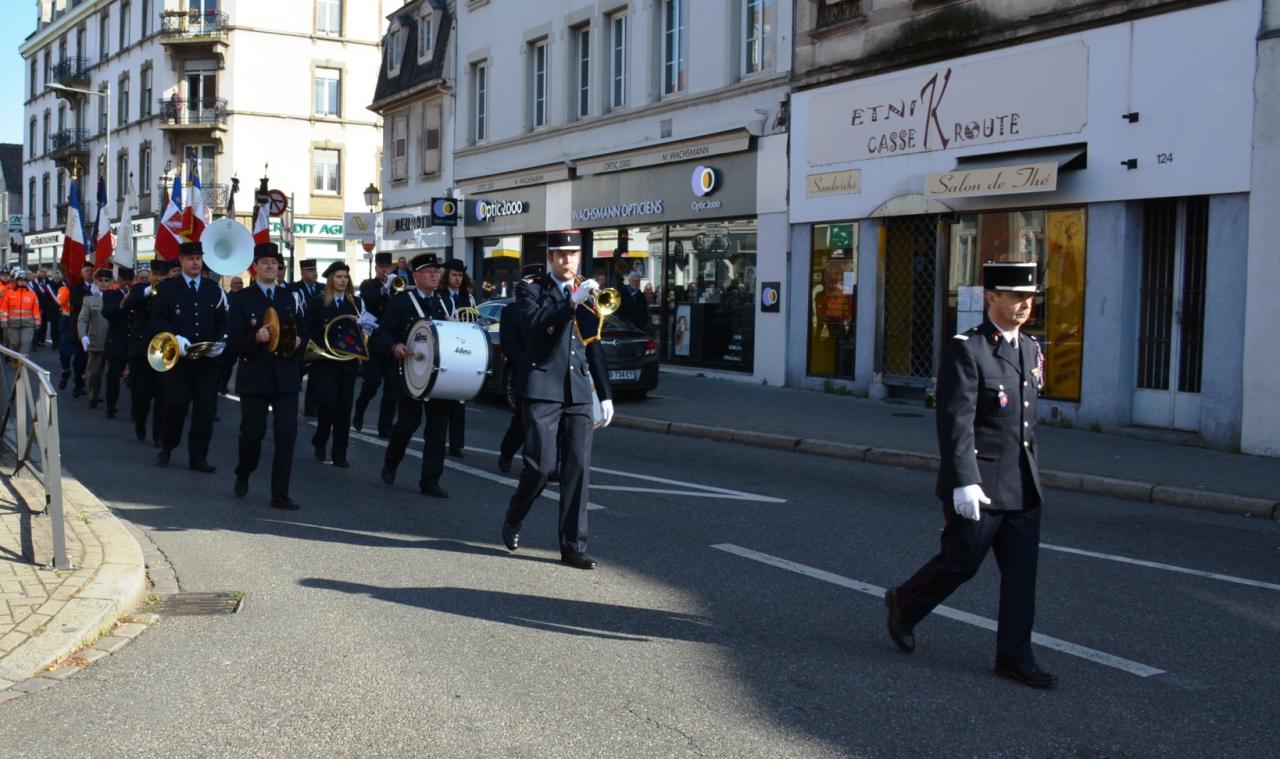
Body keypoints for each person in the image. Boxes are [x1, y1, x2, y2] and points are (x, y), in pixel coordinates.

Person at [885, 261, 1055, 689]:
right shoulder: (969, 349)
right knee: (960, 564)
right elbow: (955, 421)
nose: (1024, 305)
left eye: (1030, 298)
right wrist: (964, 480)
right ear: (992, 298)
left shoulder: (1031, 349)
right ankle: (904, 603)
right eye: (1016, 297)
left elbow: (1025, 423)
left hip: (1022, 485)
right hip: (980, 483)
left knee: (1022, 578)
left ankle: (1015, 658)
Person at [500, 231, 614, 571]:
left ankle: (573, 548)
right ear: (550, 258)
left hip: (577, 389)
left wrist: (605, 395)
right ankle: (514, 515)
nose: (567, 261)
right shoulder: (531, 288)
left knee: (578, 469)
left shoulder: (588, 292)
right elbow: (534, 325)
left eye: (573, 254)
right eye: (560, 255)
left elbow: (593, 344)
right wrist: (569, 302)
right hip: (541, 388)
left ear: (579, 256)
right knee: (541, 467)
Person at [228, 243, 307, 510]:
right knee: (253, 434)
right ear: (255, 267)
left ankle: (280, 494)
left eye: (275, 263)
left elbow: (304, 331)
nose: (270, 266)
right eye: (265, 262)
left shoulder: (290, 297)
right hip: (255, 375)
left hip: (285, 375)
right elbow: (234, 340)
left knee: (287, 434)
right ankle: (243, 470)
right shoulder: (241, 299)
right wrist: (255, 338)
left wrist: (298, 343)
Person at [373, 252, 452, 498]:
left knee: (438, 429)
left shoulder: (444, 302)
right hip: (411, 373)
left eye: (436, 272)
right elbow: (382, 333)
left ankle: (430, 481)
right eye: (428, 272)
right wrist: (394, 346)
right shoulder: (402, 302)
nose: (434, 275)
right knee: (407, 424)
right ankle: (391, 462)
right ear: (415, 275)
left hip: (439, 375)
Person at [151, 241, 228, 472]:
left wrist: (221, 341)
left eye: (198, 258)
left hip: (206, 360)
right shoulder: (168, 288)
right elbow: (157, 319)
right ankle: (167, 445)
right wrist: (175, 337)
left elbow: (223, 319)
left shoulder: (213, 289)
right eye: (190, 258)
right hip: (180, 360)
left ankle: (198, 456)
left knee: (205, 409)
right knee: (176, 406)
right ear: (181, 261)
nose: (195, 262)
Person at [308, 261, 362, 468]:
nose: (343, 280)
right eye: (339, 277)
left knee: (344, 409)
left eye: (345, 277)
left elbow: (362, 330)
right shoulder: (318, 302)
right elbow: (309, 329)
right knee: (329, 403)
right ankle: (321, 439)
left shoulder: (355, 303)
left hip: (347, 361)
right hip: (325, 361)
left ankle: (340, 453)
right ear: (331, 280)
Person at [353, 252, 398, 437]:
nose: (385, 271)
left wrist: (393, 288)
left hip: (393, 343)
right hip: (374, 341)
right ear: (376, 268)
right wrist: (384, 289)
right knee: (372, 383)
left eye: (388, 267)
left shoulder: (397, 286)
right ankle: (360, 407)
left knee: (392, 388)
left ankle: (385, 427)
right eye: (381, 268)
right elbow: (368, 299)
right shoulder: (368, 285)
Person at [123, 260, 166, 444]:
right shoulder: (140, 289)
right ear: (150, 276)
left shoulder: (172, 292)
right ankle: (140, 423)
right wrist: (149, 291)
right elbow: (128, 304)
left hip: (163, 349)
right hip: (141, 350)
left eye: (163, 275)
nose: (159, 278)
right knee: (142, 394)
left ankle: (159, 435)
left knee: (162, 396)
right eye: (156, 274)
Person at [439, 258, 474, 458]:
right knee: (443, 400)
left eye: (460, 275)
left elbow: (473, 319)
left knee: (459, 401)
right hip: (445, 350)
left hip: (462, 350)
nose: (457, 279)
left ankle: (456, 444)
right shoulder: (440, 296)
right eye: (454, 275)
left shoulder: (467, 297)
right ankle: (439, 439)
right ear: (447, 276)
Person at [98, 268, 134, 419]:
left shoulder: (138, 294)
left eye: (129, 279)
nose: (126, 282)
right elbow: (107, 312)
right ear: (118, 280)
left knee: (137, 378)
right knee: (113, 376)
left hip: (134, 342)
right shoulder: (110, 295)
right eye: (123, 279)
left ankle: (136, 411)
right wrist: (122, 303)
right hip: (117, 341)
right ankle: (111, 406)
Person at [78, 269, 113, 408]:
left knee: (112, 373)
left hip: (113, 340)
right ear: (96, 282)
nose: (104, 283)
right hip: (96, 339)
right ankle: (93, 395)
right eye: (101, 280)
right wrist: (83, 336)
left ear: (111, 282)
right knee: (94, 372)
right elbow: (82, 320)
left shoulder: (117, 297)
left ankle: (111, 401)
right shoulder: (89, 299)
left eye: (107, 280)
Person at [296, 259, 322, 417]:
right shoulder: (294, 288)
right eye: (310, 270)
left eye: (315, 270)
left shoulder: (323, 288)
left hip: (318, 338)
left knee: (316, 375)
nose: (314, 273)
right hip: (302, 335)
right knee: (298, 371)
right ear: (303, 273)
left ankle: (312, 407)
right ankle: (291, 401)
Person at [69, 262, 96, 397]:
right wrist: (91, 296)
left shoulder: (98, 287)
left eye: (91, 270)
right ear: (82, 273)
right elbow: (75, 302)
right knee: (80, 358)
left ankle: (93, 390)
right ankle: (78, 382)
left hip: (96, 327)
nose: (90, 273)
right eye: (87, 271)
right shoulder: (76, 287)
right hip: (80, 327)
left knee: (94, 359)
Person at [1, 269, 42, 354]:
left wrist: (37, 322)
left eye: (24, 280)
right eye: (20, 280)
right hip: (12, 323)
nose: (23, 282)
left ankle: (22, 365)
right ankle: (15, 361)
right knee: (14, 344)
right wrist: (4, 321)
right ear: (16, 281)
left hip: (28, 324)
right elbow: (5, 309)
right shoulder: (9, 293)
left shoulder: (32, 294)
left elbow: (36, 309)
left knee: (26, 343)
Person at [32, 267, 58, 349]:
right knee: (39, 324)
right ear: (39, 272)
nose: (43, 273)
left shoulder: (49, 282)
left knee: (45, 324)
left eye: (45, 272)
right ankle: (37, 340)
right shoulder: (35, 282)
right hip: (39, 306)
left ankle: (42, 340)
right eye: (42, 272)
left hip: (48, 307)